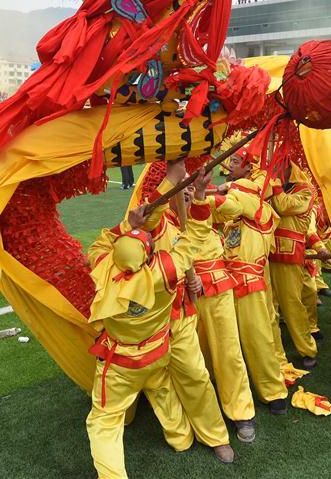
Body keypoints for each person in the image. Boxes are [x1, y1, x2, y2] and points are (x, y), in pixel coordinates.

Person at [85, 166, 233, 478]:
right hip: (164, 327)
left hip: (158, 334)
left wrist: (132, 224)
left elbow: (103, 246)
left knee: (193, 377)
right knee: (165, 385)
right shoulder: (163, 266)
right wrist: (196, 192)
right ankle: (185, 437)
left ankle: (211, 436)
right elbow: (193, 238)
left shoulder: (104, 264)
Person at [214, 148, 288, 417]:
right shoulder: (238, 214)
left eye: (236, 162)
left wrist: (209, 193)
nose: (230, 166)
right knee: (227, 342)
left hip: (248, 285)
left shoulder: (256, 205)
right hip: (225, 284)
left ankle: (274, 393)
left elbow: (227, 204)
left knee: (258, 339)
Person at [269, 163, 329, 369]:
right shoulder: (273, 186)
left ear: (289, 167)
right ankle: (274, 353)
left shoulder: (305, 191)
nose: (275, 169)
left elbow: (284, 206)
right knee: (269, 308)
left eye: (278, 165)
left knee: (292, 304)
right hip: (264, 252)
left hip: (288, 254)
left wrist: (273, 183)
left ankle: (307, 348)